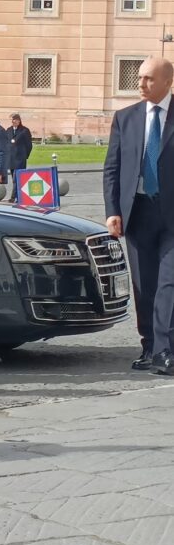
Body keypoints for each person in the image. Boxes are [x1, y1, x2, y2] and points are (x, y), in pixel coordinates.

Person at [104, 56, 174, 374]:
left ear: (167, 82)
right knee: (144, 284)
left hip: (171, 213)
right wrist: (112, 211)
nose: (141, 84)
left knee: (168, 283)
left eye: (149, 78)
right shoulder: (125, 118)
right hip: (138, 212)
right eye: (140, 78)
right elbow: (113, 168)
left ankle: (165, 350)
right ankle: (149, 347)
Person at [7, 113, 34, 200]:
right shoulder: (8, 130)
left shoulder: (24, 131)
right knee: (14, 179)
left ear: (19, 120)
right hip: (11, 159)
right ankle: (19, 196)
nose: (13, 121)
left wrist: (25, 155)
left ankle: (13, 197)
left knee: (17, 178)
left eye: (15, 119)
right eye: (12, 120)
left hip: (20, 159)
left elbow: (29, 145)